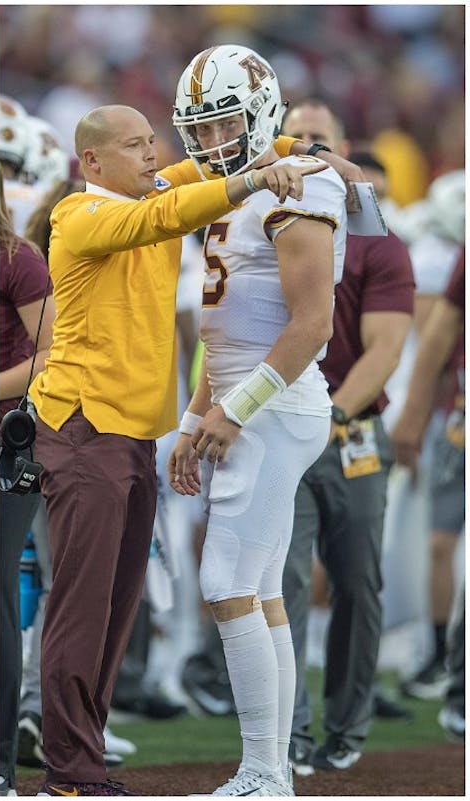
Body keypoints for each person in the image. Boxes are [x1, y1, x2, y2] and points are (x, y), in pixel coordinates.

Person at [23, 92, 325, 792]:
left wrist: (301, 154)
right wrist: (254, 179)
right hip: (81, 427)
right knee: (83, 603)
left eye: (151, 140)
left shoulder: (152, 190)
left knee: (117, 607)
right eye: (133, 144)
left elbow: (211, 165)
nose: (151, 151)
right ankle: (69, 772)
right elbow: (168, 211)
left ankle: (84, 757)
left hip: (128, 436)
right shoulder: (81, 211)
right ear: (91, 159)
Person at [165, 45, 347, 796]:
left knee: (226, 579)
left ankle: (264, 769)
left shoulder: (297, 186)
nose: (213, 144)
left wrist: (232, 413)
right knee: (260, 586)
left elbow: (313, 324)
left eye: (225, 125)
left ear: (263, 110)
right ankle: (271, 769)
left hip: (275, 404)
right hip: (251, 400)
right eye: (199, 130)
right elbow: (225, 333)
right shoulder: (235, 189)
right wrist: (195, 415)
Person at [274, 99, 414, 776]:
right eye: (294, 136)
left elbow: (385, 350)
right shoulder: (264, 223)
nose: (305, 146)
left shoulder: (379, 240)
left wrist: (327, 417)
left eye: (318, 138)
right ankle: (292, 728)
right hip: (282, 427)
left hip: (349, 428)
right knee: (286, 579)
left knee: (358, 581)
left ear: (344, 147)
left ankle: (348, 723)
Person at [391, 250, 466, 740]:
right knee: (446, 546)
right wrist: (416, 411)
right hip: (462, 420)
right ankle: (457, 683)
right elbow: (444, 322)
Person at [0, 172, 53, 796]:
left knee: (8, 585)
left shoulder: (19, 258)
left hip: (17, 433)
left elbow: (51, 352)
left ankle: (3, 760)